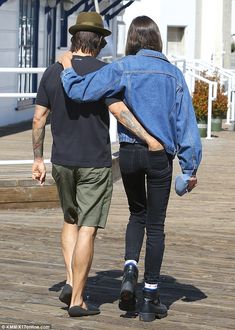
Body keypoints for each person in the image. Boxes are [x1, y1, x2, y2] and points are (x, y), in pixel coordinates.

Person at [59, 15, 202, 322]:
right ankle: (149, 298)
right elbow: (186, 125)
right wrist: (189, 170)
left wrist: (68, 69)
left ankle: (129, 270)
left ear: (132, 41)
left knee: (136, 214)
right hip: (158, 156)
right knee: (156, 224)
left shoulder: (122, 67)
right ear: (157, 40)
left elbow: (80, 91)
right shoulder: (174, 75)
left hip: (128, 154)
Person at [32, 12, 161, 318]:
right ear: (99, 43)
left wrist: (38, 159)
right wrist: (149, 139)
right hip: (94, 164)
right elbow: (118, 111)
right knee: (87, 230)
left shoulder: (52, 72)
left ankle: (69, 279)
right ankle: (77, 299)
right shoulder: (104, 72)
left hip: (62, 162)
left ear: (74, 39)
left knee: (69, 220)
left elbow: (38, 118)